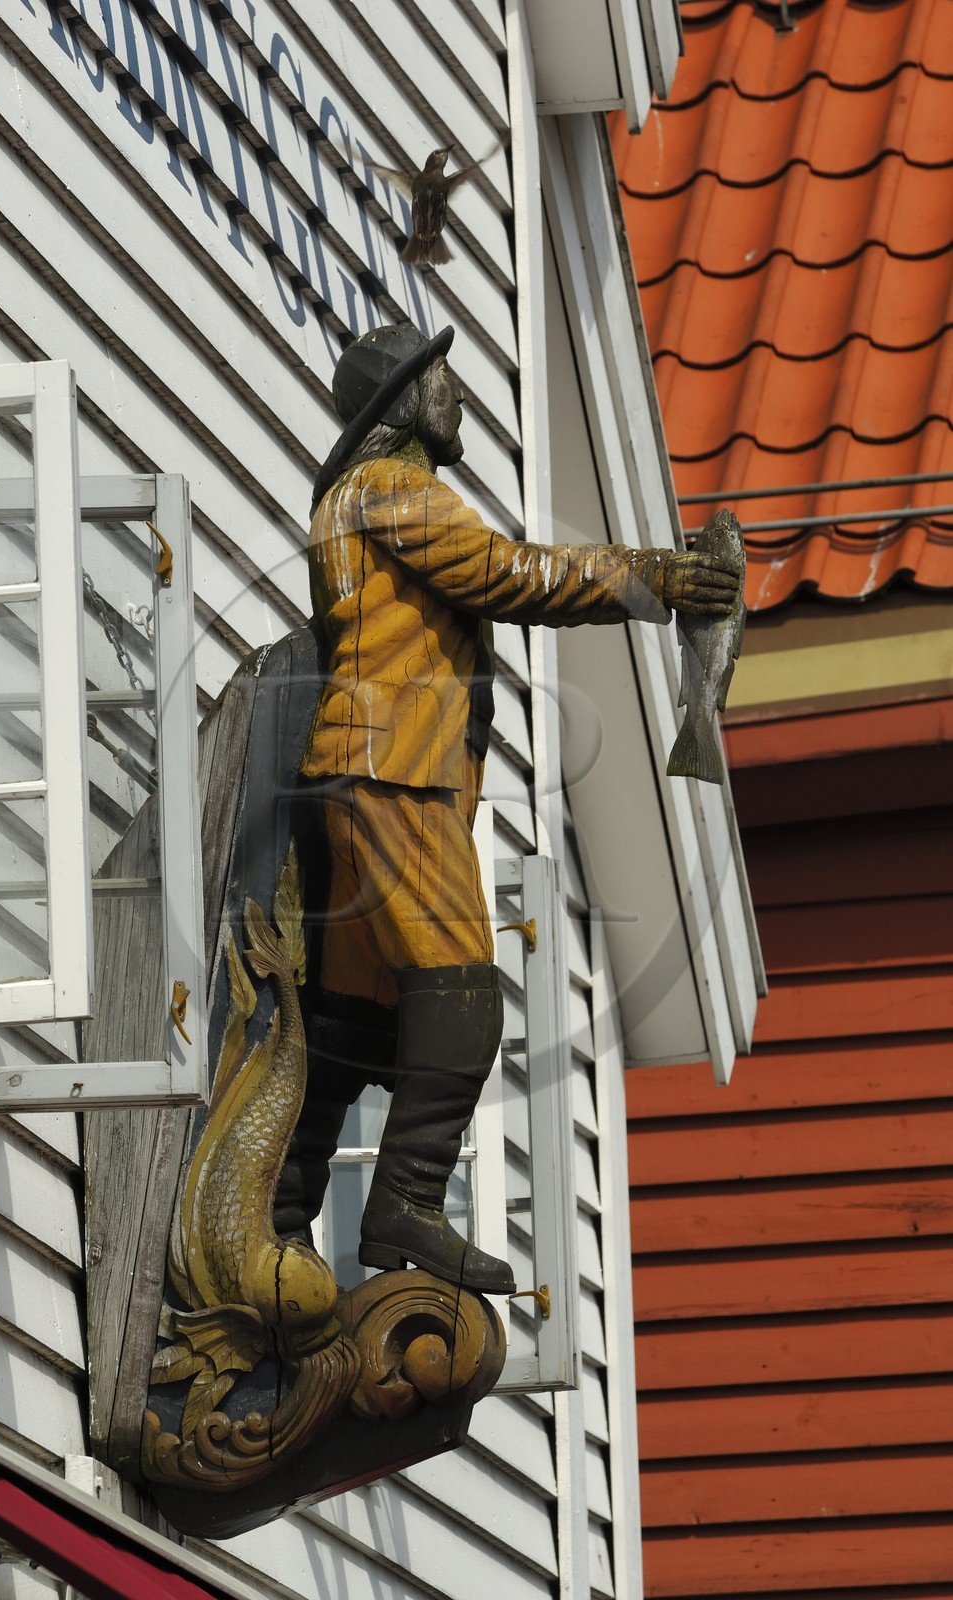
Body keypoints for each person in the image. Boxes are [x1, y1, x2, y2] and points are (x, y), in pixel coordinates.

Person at [275, 323, 739, 1294]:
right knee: (463, 995)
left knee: (356, 1013)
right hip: (396, 774)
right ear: (399, 403)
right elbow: (509, 574)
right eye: (442, 382)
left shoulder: (353, 497)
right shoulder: (396, 490)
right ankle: (406, 1200)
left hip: (358, 774)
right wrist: (661, 579)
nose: (460, 399)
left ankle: (278, 1216)